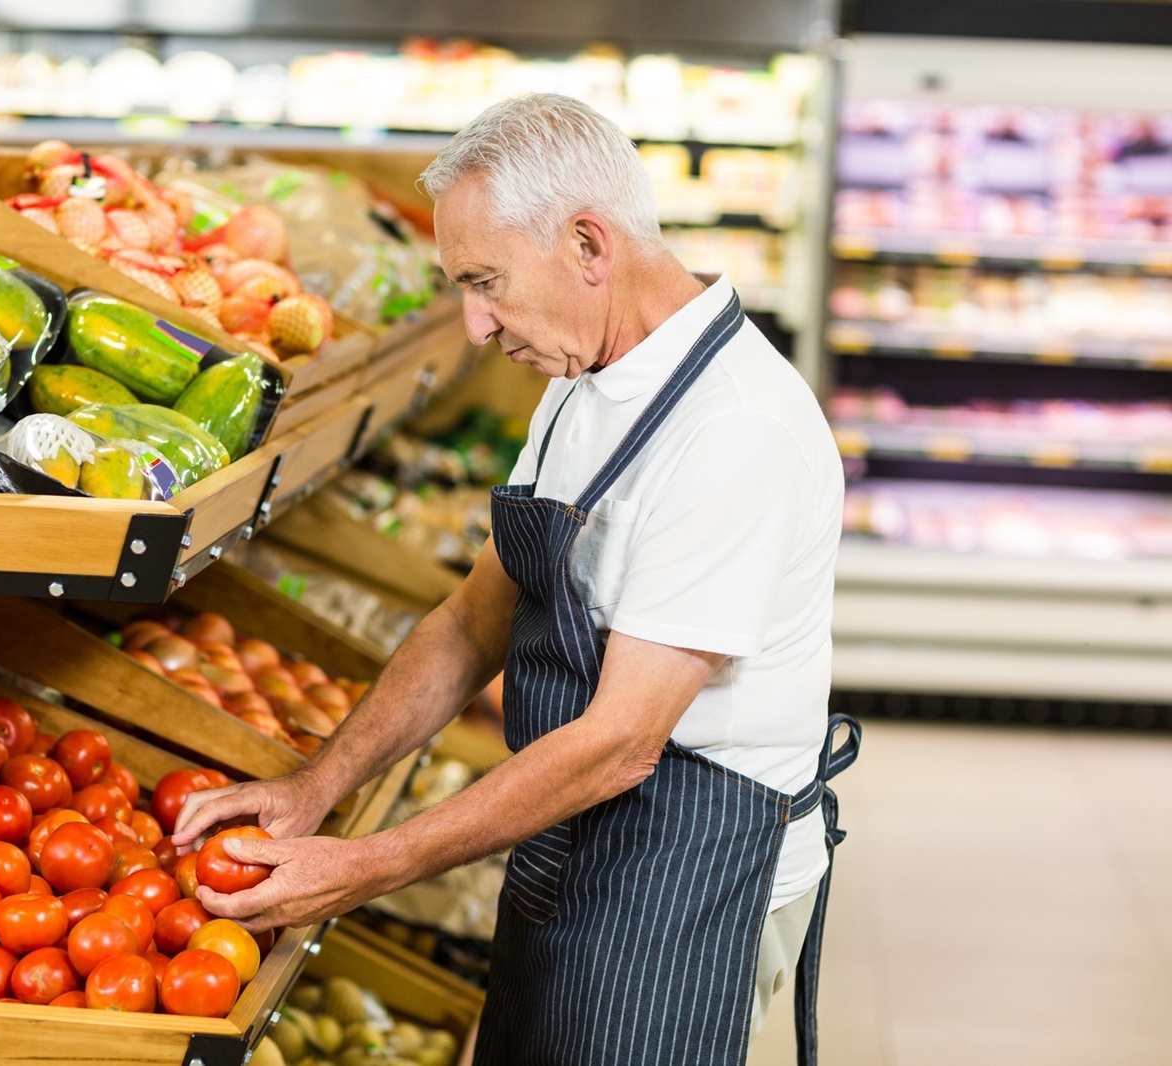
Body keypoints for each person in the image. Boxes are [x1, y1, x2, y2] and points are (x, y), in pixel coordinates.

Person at [173, 92, 859, 1065]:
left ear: (589, 244)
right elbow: (471, 620)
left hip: (694, 870)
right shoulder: (581, 383)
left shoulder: (732, 430)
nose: (474, 323)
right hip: (566, 829)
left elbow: (622, 741)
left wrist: (366, 866)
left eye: (485, 281)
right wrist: (316, 786)